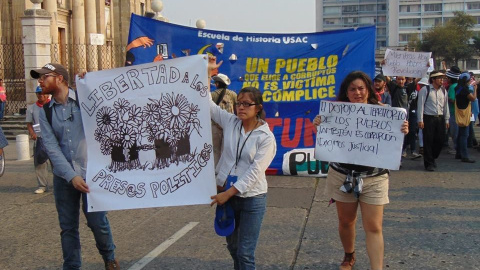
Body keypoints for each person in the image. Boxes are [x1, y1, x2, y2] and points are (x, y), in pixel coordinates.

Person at [313, 71, 408, 270]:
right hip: (342, 175)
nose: (357, 93)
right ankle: (349, 255)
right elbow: (327, 140)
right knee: (346, 221)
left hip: (375, 178)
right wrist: (319, 127)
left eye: (361, 88)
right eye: (353, 89)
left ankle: (377, 268)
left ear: (368, 90)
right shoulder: (334, 113)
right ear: (346, 92)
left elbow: (391, 141)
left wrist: (402, 129)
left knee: (374, 227)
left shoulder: (384, 112)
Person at [30, 63, 120, 270]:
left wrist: (93, 85)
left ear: (59, 78)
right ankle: (71, 266)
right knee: (68, 227)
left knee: (98, 222)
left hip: (92, 173)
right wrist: (71, 176)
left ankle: (109, 257)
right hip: (64, 178)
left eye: (44, 77)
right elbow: (51, 147)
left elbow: (110, 111)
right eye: (40, 78)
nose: (40, 82)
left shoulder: (84, 99)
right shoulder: (46, 112)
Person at [209, 59, 276, 269]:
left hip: (251, 199)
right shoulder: (230, 122)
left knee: (245, 253)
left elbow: (255, 172)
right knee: (233, 248)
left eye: (247, 104)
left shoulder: (266, 137)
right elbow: (206, 102)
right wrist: (208, 73)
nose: (241, 107)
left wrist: (227, 194)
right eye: (239, 103)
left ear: (258, 108)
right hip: (227, 196)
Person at [417, 70, 450, 171]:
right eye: (440, 78)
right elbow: (420, 105)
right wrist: (420, 120)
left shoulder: (444, 91)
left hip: (440, 118)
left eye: (443, 78)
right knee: (428, 141)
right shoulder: (425, 90)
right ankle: (429, 163)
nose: (442, 80)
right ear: (433, 79)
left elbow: (446, 106)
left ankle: (433, 157)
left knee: (440, 140)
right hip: (428, 118)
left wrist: (447, 119)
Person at [26, 86, 51, 194]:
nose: (41, 95)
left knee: (57, 163)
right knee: (40, 163)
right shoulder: (31, 108)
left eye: (43, 93)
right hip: (40, 138)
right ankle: (42, 185)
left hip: (52, 138)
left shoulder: (52, 105)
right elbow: (29, 123)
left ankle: (61, 185)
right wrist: (32, 133)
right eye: (39, 93)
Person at [211, 73, 237, 166]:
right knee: (227, 149)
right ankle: (225, 170)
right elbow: (236, 108)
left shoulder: (212, 95)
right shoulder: (233, 94)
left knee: (215, 150)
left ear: (217, 84)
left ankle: (216, 170)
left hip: (215, 125)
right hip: (229, 125)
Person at [454, 72, 476, 163]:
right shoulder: (465, 90)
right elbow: (473, 98)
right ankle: (465, 156)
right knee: (464, 135)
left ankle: (458, 153)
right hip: (464, 113)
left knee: (460, 135)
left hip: (459, 111)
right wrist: (475, 89)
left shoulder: (457, 88)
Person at [446, 66, 461, 154]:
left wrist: (445, 97)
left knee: (454, 132)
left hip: (452, 112)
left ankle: (455, 148)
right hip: (458, 112)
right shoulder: (458, 86)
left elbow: (452, 99)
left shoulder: (452, 87)